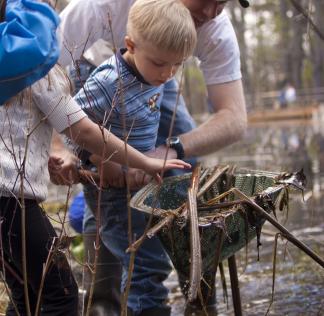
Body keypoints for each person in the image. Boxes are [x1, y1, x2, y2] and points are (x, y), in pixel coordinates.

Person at [53, 0, 249, 315]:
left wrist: (165, 151)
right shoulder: (105, 8)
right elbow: (47, 75)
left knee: (185, 164)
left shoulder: (187, 50)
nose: (213, 11)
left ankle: (198, 287)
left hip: (150, 71)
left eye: (223, 2)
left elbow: (235, 119)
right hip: (98, 68)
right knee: (130, 236)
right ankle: (103, 299)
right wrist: (85, 153)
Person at [0, 1, 190, 315]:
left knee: (27, 294)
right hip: (10, 200)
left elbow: (17, 128)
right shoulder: (38, 72)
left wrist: (49, 157)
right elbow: (83, 130)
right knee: (59, 293)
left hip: (13, 199)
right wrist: (145, 162)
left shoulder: (11, 65)